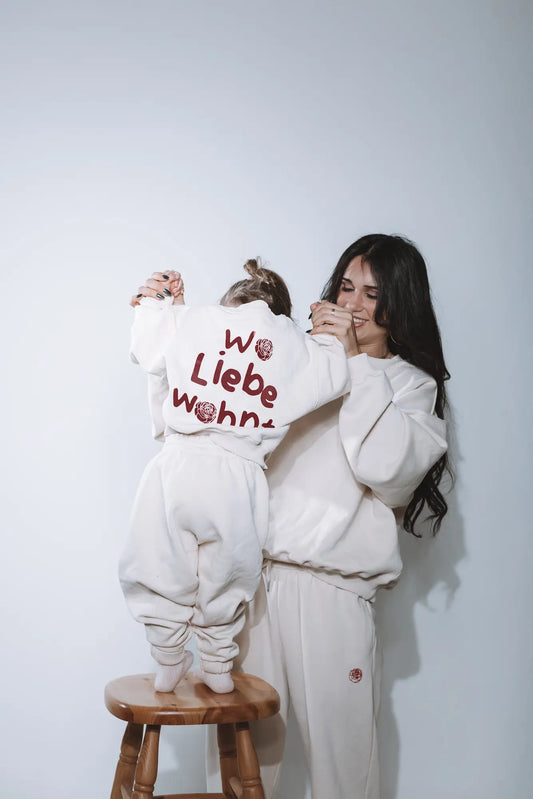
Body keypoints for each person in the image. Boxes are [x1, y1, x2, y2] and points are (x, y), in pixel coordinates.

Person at [132, 234, 449, 798]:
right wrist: (172, 323)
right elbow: (204, 415)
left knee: (345, 769)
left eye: (372, 294)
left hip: (334, 591)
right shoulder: (295, 358)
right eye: (346, 287)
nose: (352, 304)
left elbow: (387, 469)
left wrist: (353, 362)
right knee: (239, 764)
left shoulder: (409, 384)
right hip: (252, 583)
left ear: (400, 305)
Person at [121, 260, 349, 694]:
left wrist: (159, 306)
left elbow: (149, 347)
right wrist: (326, 338)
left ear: (228, 305)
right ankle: (217, 662)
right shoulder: (290, 345)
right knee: (229, 572)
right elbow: (332, 374)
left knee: (157, 561)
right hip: (240, 479)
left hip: (178, 465)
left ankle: (168, 657)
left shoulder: (198, 321)